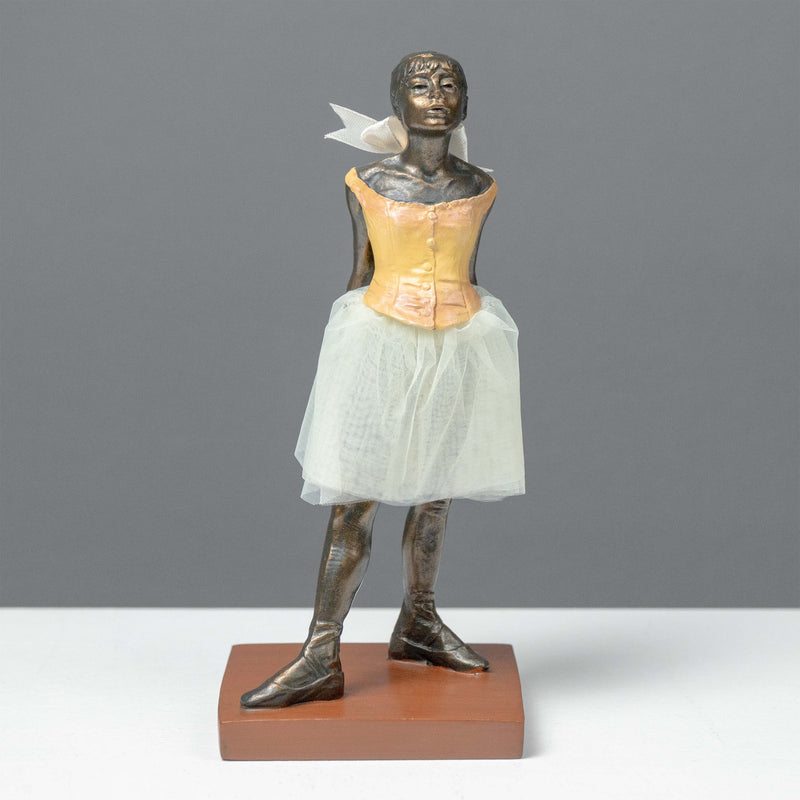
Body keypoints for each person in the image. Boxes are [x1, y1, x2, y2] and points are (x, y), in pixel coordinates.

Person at [240, 52, 524, 709]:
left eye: (449, 84)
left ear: (466, 101)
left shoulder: (482, 186)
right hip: (378, 338)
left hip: (461, 340)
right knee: (355, 499)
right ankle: (320, 655)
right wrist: (343, 361)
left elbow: (468, 272)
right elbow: (361, 272)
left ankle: (418, 620)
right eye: (420, 85)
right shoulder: (364, 181)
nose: (436, 94)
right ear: (398, 102)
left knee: (436, 493)